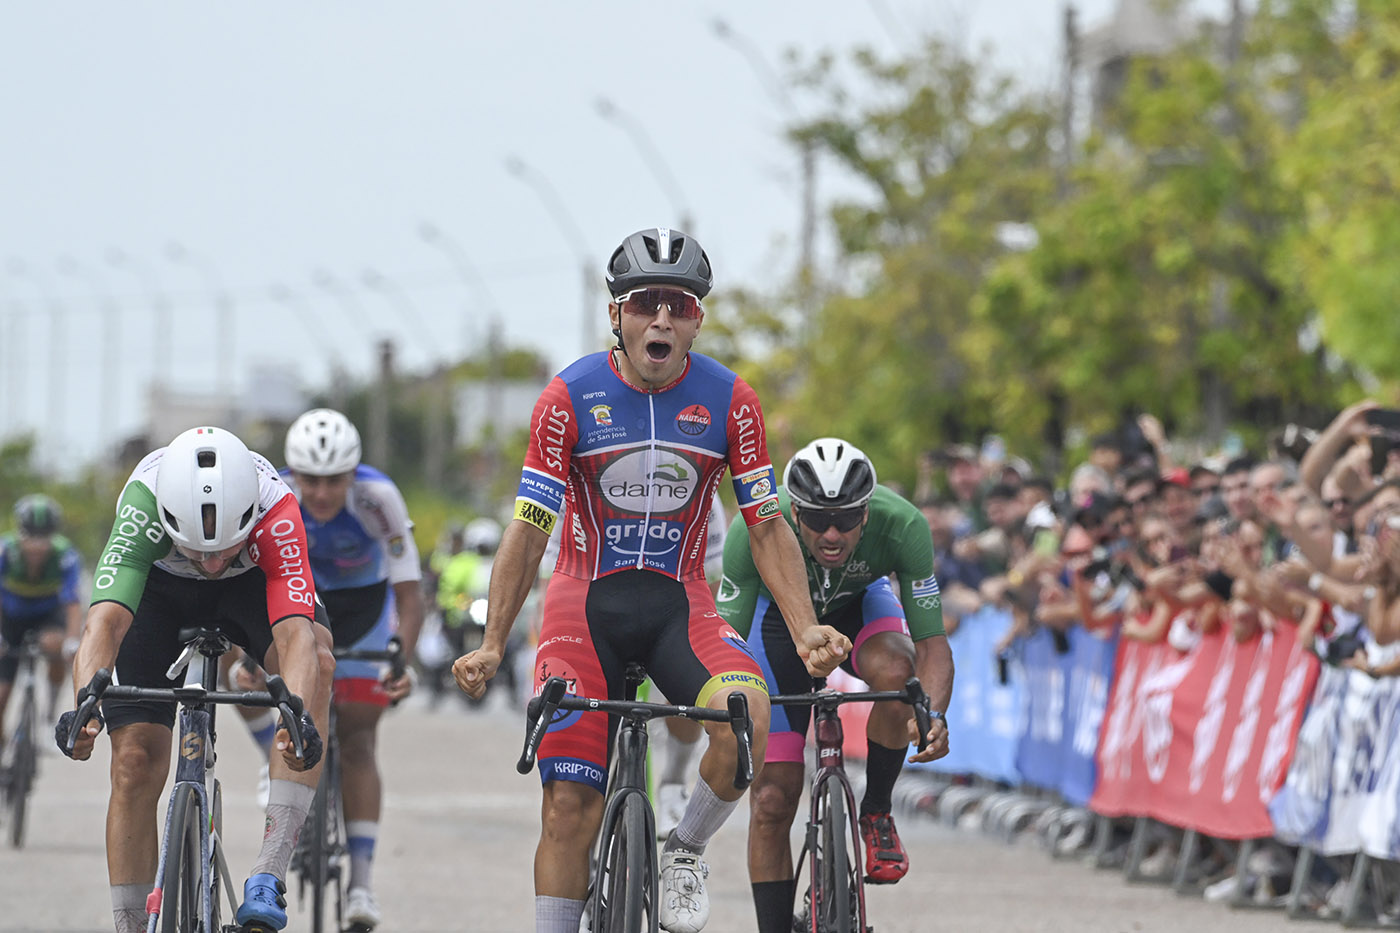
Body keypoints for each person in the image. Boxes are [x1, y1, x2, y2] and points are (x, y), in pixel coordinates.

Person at [451, 226, 850, 933]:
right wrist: (491, 641)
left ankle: (686, 844)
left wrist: (805, 626)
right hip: (583, 604)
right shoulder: (568, 395)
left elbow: (764, 524)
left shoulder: (732, 400)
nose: (662, 317)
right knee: (570, 805)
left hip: (680, 604)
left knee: (745, 716)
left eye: (680, 304)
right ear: (617, 315)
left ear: (697, 319)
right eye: (645, 303)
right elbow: (530, 527)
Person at [56, 426, 334, 933]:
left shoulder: (276, 507)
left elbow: (295, 638)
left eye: (222, 549)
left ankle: (269, 875)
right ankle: (131, 926)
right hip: (160, 592)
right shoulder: (144, 500)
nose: (210, 563)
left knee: (318, 661)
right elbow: (105, 623)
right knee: (135, 761)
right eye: (198, 549)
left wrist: (295, 715)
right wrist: (84, 704)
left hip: (250, 586)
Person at [716, 437, 953, 933]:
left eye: (846, 520)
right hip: (775, 620)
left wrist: (931, 715)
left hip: (859, 604)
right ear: (793, 510)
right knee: (773, 799)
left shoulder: (904, 524)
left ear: (866, 513)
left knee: (897, 674)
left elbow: (932, 645)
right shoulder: (754, 524)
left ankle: (877, 811)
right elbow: (727, 643)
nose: (831, 534)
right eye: (816, 520)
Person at [280, 407, 423, 930]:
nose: (320, 494)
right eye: (310, 481)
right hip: (297, 603)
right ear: (293, 474)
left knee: (360, 735)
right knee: (270, 692)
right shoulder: (275, 494)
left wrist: (399, 656)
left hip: (364, 610)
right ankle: (270, 766)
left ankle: (361, 882)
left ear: (353, 474)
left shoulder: (378, 498)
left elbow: (410, 595)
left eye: (334, 481)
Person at [0, 494, 84, 737]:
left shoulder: (64, 554)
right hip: (10, 618)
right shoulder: (6, 551)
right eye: (31, 539)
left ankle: (49, 715)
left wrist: (71, 640)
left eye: (43, 539)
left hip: (47, 615)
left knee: (55, 645)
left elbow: (72, 602)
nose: (37, 546)